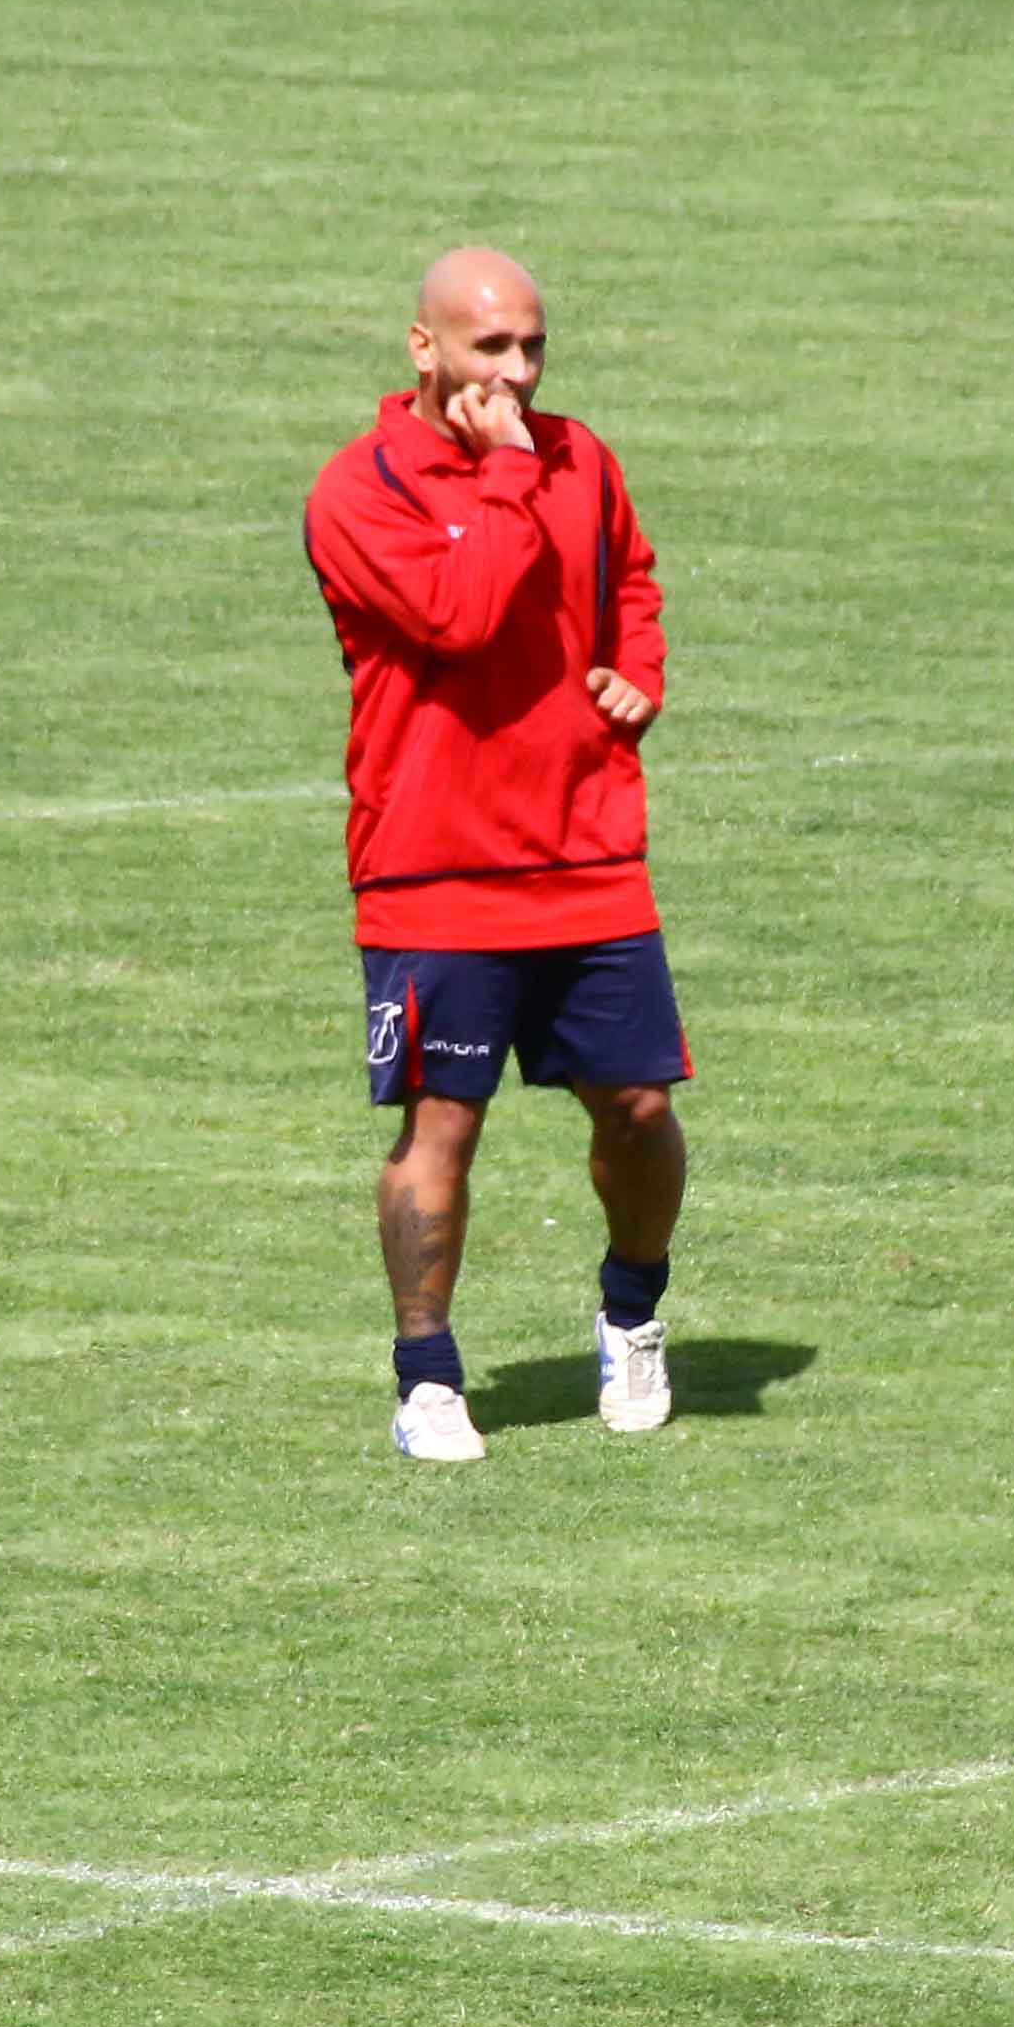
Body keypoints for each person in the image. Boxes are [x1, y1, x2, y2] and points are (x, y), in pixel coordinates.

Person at [304, 248, 688, 1464]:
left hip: (588, 853)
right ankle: (426, 1378)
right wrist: (509, 477)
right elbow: (463, 617)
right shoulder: (360, 494)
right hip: (435, 868)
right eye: (490, 350)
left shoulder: (585, 460)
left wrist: (641, 671)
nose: (517, 373)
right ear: (424, 348)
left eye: (533, 346)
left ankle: (633, 1315)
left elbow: (626, 572)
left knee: (635, 1106)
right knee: (443, 1127)